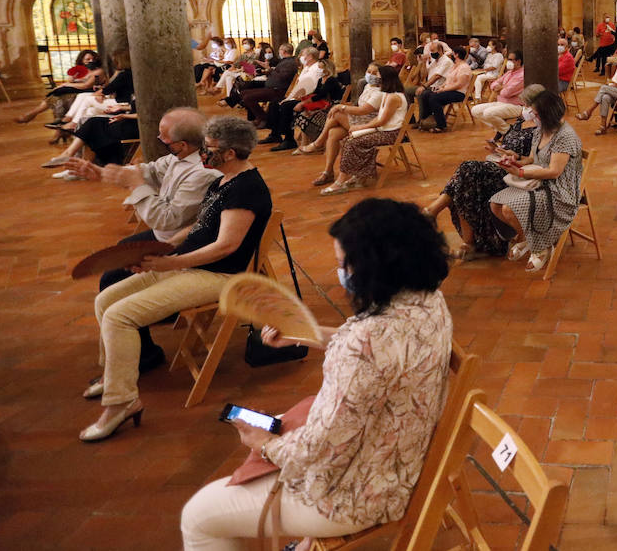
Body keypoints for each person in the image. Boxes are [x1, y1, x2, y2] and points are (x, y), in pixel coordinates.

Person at [180, 198, 451, 550]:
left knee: (199, 516)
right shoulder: (427, 301)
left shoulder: (366, 342)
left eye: (343, 264)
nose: (340, 273)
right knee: (280, 422)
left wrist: (265, 446)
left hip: (357, 496)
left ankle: (306, 533)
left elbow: (319, 449)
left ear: (374, 268)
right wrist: (304, 334)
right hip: (397, 458)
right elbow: (383, 354)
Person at [82, 116, 272, 442]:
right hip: (187, 264)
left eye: (210, 150)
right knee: (106, 298)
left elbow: (226, 246)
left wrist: (172, 264)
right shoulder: (223, 181)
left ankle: (121, 403)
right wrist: (162, 250)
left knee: (120, 315)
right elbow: (199, 228)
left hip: (218, 276)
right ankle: (115, 374)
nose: (203, 155)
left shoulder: (248, 189)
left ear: (229, 153)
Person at [70, 108, 221, 372]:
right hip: (166, 235)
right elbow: (148, 170)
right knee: (119, 256)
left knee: (113, 278)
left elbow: (166, 218)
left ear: (182, 144)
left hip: (182, 242)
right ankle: (139, 340)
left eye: (164, 137)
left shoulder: (203, 173)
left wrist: (136, 185)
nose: (159, 140)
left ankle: (143, 352)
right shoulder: (178, 157)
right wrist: (98, 171)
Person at [424, 85, 544, 259]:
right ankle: (465, 240)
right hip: (500, 165)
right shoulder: (520, 121)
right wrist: (499, 150)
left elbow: (534, 161)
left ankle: (438, 215)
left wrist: (514, 159)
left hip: (513, 173)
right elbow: (511, 144)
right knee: (465, 179)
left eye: (527, 105)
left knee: (466, 172)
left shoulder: (542, 129)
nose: (524, 108)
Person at [489, 88, 582, 273]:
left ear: (547, 115)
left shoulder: (565, 136)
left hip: (559, 190)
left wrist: (521, 173)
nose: (533, 117)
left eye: (536, 114)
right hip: (539, 181)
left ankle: (542, 245)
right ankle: (527, 238)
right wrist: (513, 157)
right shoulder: (542, 130)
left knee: (510, 208)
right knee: (495, 204)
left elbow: (554, 172)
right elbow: (532, 159)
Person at [320, 66, 410, 194]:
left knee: (353, 142)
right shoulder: (388, 95)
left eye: (378, 76)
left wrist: (360, 127)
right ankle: (360, 176)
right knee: (348, 139)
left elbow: (381, 121)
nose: (376, 79)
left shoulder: (394, 97)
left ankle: (340, 181)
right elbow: (379, 119)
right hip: (382, 130)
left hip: (391, 133)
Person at [16, 49, 106, 124]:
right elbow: (70, 80)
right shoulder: (81, 70)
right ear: (82, 60)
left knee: (61, 98)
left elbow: (86, 85)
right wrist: (75, 74)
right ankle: (35, 114)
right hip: (78, 90)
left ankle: (34, 114)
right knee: (54, 96)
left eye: (93, 59)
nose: (91, 61)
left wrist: (67, 84)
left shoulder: (98, 71)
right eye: (88, 59)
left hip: (88, 91)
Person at [579, 47, 617, 133]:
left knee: (603, 88)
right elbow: (614, 80)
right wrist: (613, 85)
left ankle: (589, 111)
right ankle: (602, 126)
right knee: (605, 97)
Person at [239, 43, 298, 124]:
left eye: (280, 50)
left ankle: (263, 119)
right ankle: (260, 117)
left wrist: (269, 69)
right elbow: (277, 73)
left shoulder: (290, 63)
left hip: (278, 90)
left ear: (283, 51)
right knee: (243, 93)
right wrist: (267, 70)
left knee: (248, 97)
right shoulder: (285, 61)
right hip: (272, 87)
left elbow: (282, 77)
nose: (279, 52)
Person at [471, 49, 526, 136]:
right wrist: (502, 87)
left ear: (518, 61)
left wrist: (502, 88)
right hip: (501, 102)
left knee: (488, 113)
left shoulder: (522, 75)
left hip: (515, 105)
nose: (508, 62)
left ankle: (507, 132)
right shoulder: (509, 73)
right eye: (508, 59)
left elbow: (506, 93)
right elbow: (494, 84)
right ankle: (504, 129)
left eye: (511, 60)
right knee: (475, 110)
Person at [417, 47, 472, 133]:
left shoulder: (464, 67)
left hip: (458, 93)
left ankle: (441, 125)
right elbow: (447, 80)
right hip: (449, 90)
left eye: (452, 53)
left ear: (456, 55)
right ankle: (426, 121)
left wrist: (443, 90)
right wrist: (441, 87)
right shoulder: (454, 66)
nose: (451, 55)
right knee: (425, 94)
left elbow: (459, 85)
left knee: (434, 98)